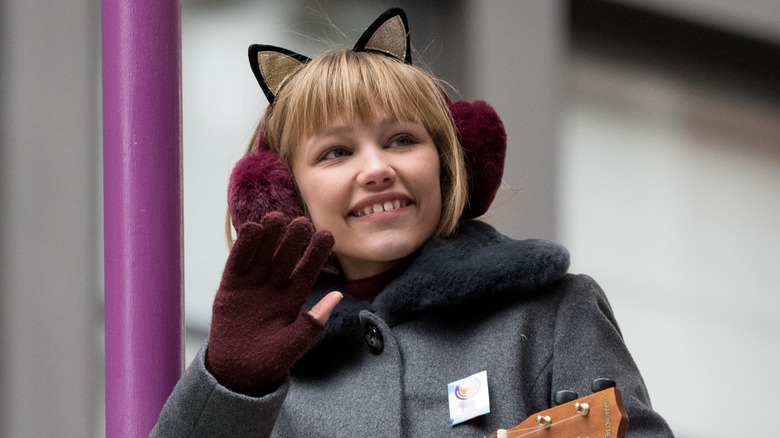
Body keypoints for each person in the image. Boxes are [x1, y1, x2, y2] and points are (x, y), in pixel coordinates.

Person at [152, 8, 673, 437]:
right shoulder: (258, 372)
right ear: (284, 195)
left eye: (402, 140)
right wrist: (229, 388)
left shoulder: (553, 314)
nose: (378, 169)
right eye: (336, 152)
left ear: (450, 162)